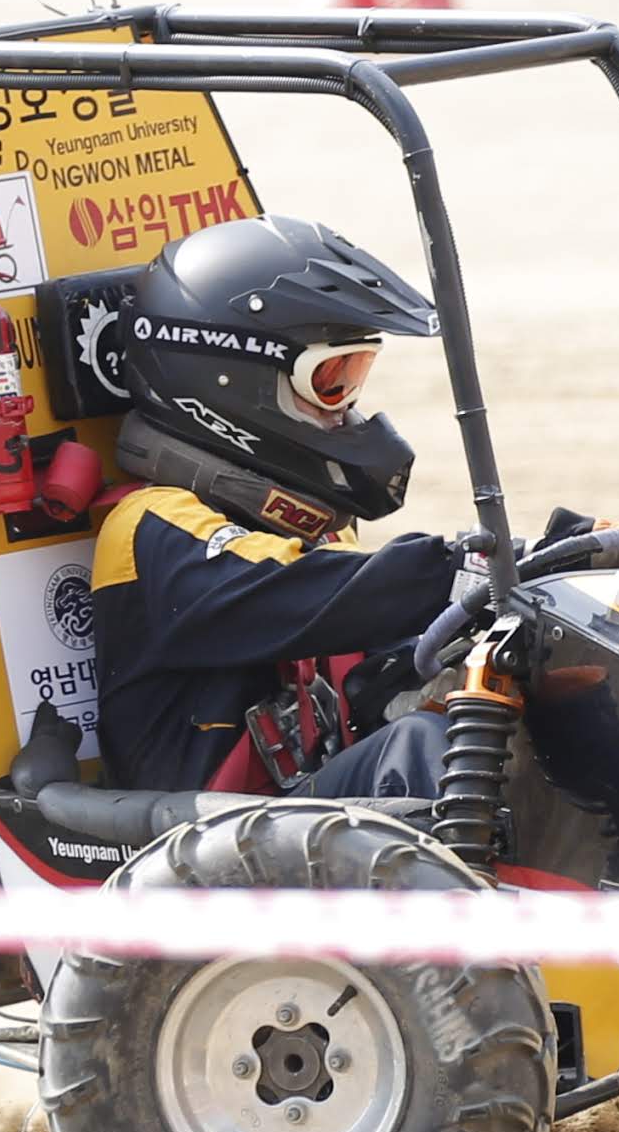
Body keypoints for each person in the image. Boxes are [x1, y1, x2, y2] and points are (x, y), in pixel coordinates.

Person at [82, 217, 469, 799]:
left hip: (300, 835)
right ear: (233, 382)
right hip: (196, 857)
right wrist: (466, 567)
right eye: (330, 383)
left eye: (353, 379)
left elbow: (368, 678)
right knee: (415, 748)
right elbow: (288, 587)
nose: (345, 415)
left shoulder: (320, 538)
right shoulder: (149, 528)